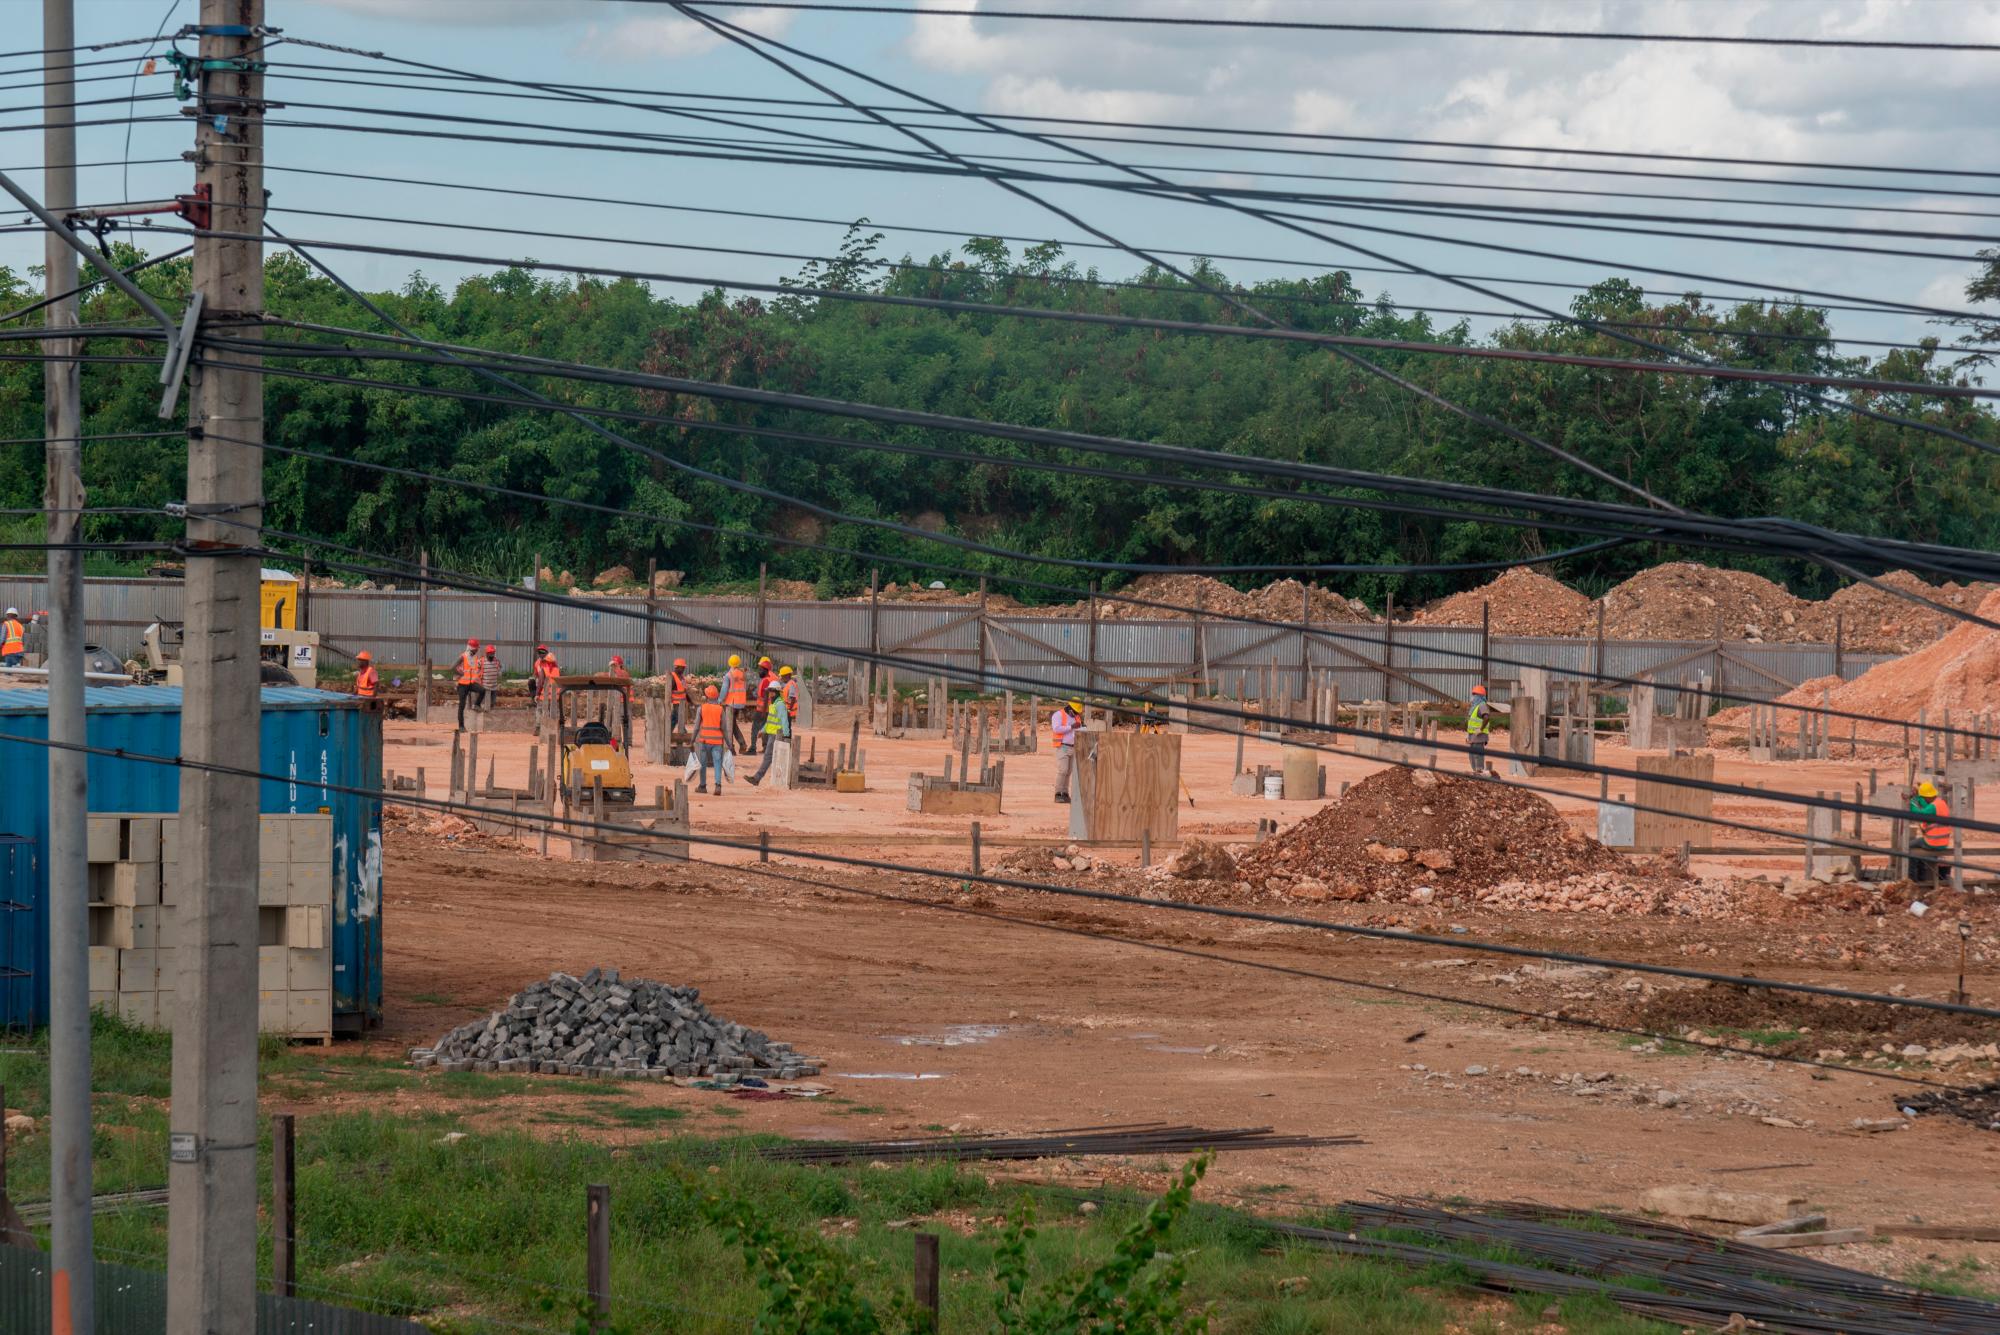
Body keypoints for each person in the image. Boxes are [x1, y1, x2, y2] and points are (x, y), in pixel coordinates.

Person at [745, 675, 794, 786]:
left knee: (770, 757)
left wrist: (786, 736)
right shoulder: (774, 704)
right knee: (773, 757)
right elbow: (770, 721)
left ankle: (757, 778)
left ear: (776, 692)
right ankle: (760, 778)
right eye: (769, 691)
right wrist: (763, 730)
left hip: (778, 735)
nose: (770, 693)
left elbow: (784, 721)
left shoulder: (780, 704)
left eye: (771, 691)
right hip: (772, 734)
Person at [1908, 780, 1952, 885]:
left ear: (1927, 797)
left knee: (1908, 847)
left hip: (1933, 841)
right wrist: (1917, 797)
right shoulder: (1940, 803)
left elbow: (1919, 813)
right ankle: (1922, 876)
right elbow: (1925, 805)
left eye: (1923, 797)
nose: (1923, 799)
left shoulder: (1932, 807)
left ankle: (1912, 879)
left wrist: (1912, 803)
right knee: (1919, 852)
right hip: (1943, 842)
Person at [695, 683, 729, 794]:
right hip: (717, 742)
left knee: (703, 763)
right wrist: (729, 744)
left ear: (707, 696)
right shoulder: (720, 710)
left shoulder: (701, 708)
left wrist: (691, 741)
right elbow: (724, 729)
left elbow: (696, 728)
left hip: (704, 741)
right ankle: (718, 785)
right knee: (717, 763)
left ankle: (702, 786)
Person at [1051, 697, 1082, 803]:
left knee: (1068, 772)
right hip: (1062, 747)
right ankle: (1058, 793)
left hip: (1073, 747)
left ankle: (1064, 793)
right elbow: (1056, 728)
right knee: (1063, 770)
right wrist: (1071, 726)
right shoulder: (1058, 715)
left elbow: (1078, 729)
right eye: (1075, 712)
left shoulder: (1076, 717)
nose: (1077, 714)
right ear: (1069, 708)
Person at [453, 637, 483, 730]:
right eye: (476, 648)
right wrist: (460, 673)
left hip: (470, 683)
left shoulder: (474, 657)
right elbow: (452, 667)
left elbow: (474, 669)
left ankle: (476, 705)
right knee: (462, 705)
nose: (477, 650)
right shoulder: (463, 656)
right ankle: (461, 726)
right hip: (462, 684)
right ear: (471, 648)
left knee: (482, 690)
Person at [722, 653, 749, 753]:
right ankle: (738, 745)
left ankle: (733, 747)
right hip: (740, 703)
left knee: (729, 724)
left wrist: (720, 700)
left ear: (729, 663)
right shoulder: (742, 674)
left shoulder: (729, 675)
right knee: (732, 724)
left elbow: (724, 690)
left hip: (731, 703)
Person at [1466, 683, 1494, 774]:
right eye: (1472, 694)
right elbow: (1471, 723)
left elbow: (1486, 717)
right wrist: (1468, 736)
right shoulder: (1474, 707)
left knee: (1478, 756)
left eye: (1474, 695)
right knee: (1472, 756)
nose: (1472, 697)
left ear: (1479, 696)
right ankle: (1476, 772)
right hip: (1473, 736)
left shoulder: (1482, 705)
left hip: (1479, 736)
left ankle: (1480, 772)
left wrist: (1481, 729)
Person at [669, 657, 691, 737]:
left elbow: (684, 690)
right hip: (676, 703)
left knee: (674, 720)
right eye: (682, 667)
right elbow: (669, 691)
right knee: (680, 720)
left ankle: (667, 735)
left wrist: (690, 700)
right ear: (677, 667)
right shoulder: (673, 677)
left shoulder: (681, 677)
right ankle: (685, 735)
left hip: (681, 703)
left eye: (684, 667)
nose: (684, 668)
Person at [479, 643, 502, 711]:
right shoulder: (481, 661)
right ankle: (485, 715)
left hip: (494, 686)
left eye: (493, 653)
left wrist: (499, 674)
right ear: (486, 653)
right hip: (485, 686)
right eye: (490, 653)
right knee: (486, 704)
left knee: (492, 703)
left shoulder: (497, 661)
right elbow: (476, 670)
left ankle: (490, 717)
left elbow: (499, 671)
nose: (492, 655)